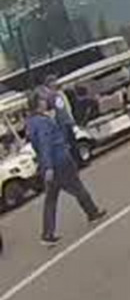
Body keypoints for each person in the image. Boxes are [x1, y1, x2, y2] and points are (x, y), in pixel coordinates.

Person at [25, 92, 106, 247]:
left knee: (51, 199)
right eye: (42, 100)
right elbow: (45, 144)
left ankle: (47, 233)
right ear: (38, 104)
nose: (45, 102)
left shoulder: (31, 123)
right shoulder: (42, 122)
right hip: (59, 161)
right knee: (77, 186)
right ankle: (92, 212)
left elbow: (39, 146)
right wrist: (50, 166)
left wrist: (46, 166)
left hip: (49, 163)